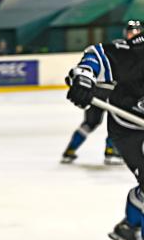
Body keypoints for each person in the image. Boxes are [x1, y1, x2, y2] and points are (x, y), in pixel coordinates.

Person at [65, 20, 144, 240]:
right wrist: (84, 76)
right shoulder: (135, 53)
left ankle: (129, 224)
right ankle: (130, 225)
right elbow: (98, 55)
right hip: (130, 128)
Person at [59, 23, 139, 165]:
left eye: (137, 31)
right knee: (101, 122)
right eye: (131, 32)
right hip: (106, 92)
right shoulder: (122, 48)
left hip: (100, 91)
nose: (134, 34)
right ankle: (107, 151)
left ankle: (73, 150)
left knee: (95, 123)